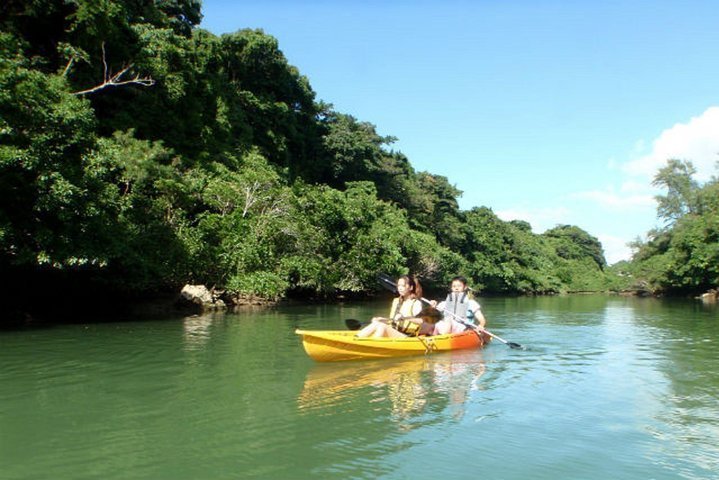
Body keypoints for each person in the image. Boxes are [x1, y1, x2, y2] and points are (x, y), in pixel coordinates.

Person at [356, 275, 435, 338]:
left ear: (411, 287)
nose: (400, 288)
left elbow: (420, 320)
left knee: (382, 327)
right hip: (395, 331)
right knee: (377, 323)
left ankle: (371, 346)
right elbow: (392, 320)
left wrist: (404, 317)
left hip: (407, 336)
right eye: (399, 285)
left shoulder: (416, 303)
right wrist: (382, 319)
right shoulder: (396, 301)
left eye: (403, 286)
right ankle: (357, 338)